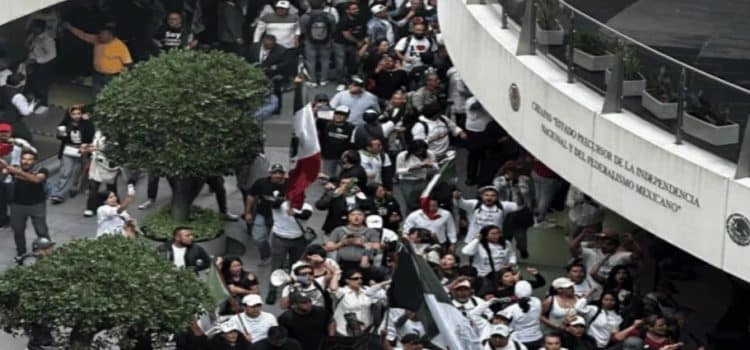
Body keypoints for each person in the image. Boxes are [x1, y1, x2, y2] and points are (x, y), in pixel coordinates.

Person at [2, 151, 49, 261]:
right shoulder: (15, 169)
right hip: (17, 205)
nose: (26, 161)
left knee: (41, 231)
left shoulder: (42, 170)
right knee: (18, 231)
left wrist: (17, 173)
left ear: (35, 161)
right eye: (23, 159)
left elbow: (36, 179)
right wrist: (7, 169)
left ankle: (47, 253)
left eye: (29, 159)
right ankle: (21, 252)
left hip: (37, 205)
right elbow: (5, 170)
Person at [64, 23, 133, 95]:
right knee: (97, 95)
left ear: (110, 35)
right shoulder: (97, 39)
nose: (100, 36)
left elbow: (128, 64)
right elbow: (83, 35)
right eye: (100, 34)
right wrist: (70, 27)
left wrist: (122, 79)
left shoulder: (120, 46)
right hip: (97, 75)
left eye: (103, 35)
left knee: (111, 95)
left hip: (112, 77)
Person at [49, 105, 95, 203]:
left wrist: (85, 146)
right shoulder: (65, 123)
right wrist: (62, 133)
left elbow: (90, 138)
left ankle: (74, 187)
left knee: (78, 171)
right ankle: (58, 194)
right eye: (73, 114)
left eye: (78, 113)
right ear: (69, 114)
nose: (76, 116)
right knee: (65, 171)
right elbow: (60, 136)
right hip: (68, 149)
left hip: (82, 149)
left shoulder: (87, 124)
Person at [244, 163, 288, 266]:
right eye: (274, 172)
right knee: (258, 238)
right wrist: (248, 212)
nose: (277, 175)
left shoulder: (290, 184)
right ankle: (266, 256)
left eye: (280, 173)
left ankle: (283, 259)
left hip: (282, 217)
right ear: (270, 173)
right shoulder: (261, 183)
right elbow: (251, 196)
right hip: (263, 214)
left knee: (282, 240)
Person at [0, 123, 36, 227]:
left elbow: (33, 152)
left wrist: (18, 144)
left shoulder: (19, 142)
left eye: (5, 132)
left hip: (15, 175)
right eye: (1, 132)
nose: (3, 135)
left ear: (10, 132)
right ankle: (3, 220)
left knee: (15, 200)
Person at [575, 291, 640, 349]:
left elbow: (614, 335)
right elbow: (578, 308)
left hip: (603, 347)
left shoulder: (618, 317)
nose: (609, 302)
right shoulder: (594, 310)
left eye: (612, 300)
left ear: (615, 302)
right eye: (606, 299)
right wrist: (589, 293)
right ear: (601, 300)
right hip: (588, 344)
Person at [325, 208, 382, 272]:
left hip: (364, 263)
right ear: (348, 217)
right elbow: (328, 248)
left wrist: (362, 243)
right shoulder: (338, 230)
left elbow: (377, 247)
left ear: (364, 217)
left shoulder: (371, 231)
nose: (356, 217)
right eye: (353, 215)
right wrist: (342, 243)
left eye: (359, 215)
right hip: (343, 263)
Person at [300, 0, 337, 86]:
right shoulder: (329, 16)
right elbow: (333, 30)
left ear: (309, 5)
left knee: (310, 61)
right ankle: (323, 80)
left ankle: (313, 81)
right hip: (326, 41)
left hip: (309, 42)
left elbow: (303, 31)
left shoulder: (305, 17)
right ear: (323, 5)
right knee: (325, 61)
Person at [84, 130, 120, 217]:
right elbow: (94, 144)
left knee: (111, 186)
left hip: (108, 163)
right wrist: (88, 147)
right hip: (96, 161)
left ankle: (116, 205)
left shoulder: (115, 132)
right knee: (93, 185)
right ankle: (91, 208)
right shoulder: (98, 132)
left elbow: (113, 147)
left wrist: (95, 148)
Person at [332, 2, 367, 90]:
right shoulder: (344, 20)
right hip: (340, 43)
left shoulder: (360, 18)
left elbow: (363, 30)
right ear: (347, 11)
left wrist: (362, 41)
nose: (356, 10)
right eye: (354, 9)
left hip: (353, 43)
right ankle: (341, 82)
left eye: (357, 8)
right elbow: (346, 35)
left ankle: (352, 78)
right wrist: (358, 42)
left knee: (354, 61)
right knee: (340, 63)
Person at [395, 140, 437, 211]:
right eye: (417, 151)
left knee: (424, 200)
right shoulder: (402, 156)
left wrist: (431, 165)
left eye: (422, 150)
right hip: (407, 181)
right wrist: (411, 169)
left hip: (422, 180)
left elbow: (436, 167)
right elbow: (398, 171)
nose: (420, 152)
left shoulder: (430, 154)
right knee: (410, 203)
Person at [501, 281, 543, 349]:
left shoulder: (512, 309)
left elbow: (499, 319)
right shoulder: (537, 301)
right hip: (537, 338)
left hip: (520, 341)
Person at [25, 19, 56, 110]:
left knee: (41, 85)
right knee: (32, 83)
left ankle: (43, 104)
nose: (31, 29)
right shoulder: (34, 37)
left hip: (42, 64)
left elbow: (52, 54)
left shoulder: (47, 39)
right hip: (32, 63)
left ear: (39, 28)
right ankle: (33, 103)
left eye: (33, 27)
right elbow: (29, 47)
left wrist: (37, 60)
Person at [319, 105, 355, 179]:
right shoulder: (326, 124)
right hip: (328, 156)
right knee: (326, 178)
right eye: (337, 113)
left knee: (346, 178)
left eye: (342, 114)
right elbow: (320, 138)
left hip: (344, 158)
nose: (339, 116)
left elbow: (352, 143)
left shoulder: (351, 128)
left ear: (347, 117)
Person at [1, 73, 37, 141]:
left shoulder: (2, 88)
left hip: (2, 116)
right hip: (10, 121)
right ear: (20, 84)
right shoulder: (17, 96)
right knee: (26, 137)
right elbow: (25, 112)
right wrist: (33, 104)